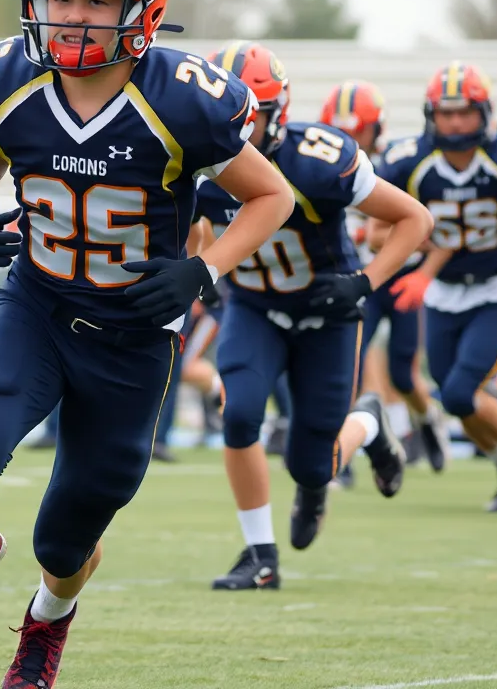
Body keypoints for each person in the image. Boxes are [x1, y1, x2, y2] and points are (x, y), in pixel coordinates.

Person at [0, 0, 294, 689]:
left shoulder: (182, 100)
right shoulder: (5, 83)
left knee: (65, 540)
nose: (72, 16)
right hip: (36, 308)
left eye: (96, 1)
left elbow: (270, 196)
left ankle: (48, 620)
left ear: (143, 9)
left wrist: (203, 272)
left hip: (134, 335)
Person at [198, 43, 431, 591]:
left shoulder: (318, 161)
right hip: (255, 307)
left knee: (312, 465)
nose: (231, 127)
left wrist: (365, 282)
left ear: (276, 114)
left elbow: (414, 220)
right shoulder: (194, 161)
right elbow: (191, 228)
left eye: (245, 114)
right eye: (217, 112)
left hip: (326, 312)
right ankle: (260, 555)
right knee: (240, 415)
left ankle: (369, 423)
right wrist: (200, 275)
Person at [374, 62, 497, 512]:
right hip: (442, 291)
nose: (455, 122)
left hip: (496, 288)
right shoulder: (410, 161)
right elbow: (377, 230)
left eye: (465, 112)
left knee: (459, 391)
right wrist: (425, 249)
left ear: (484, 113)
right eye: (447, 112)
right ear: (431, 115)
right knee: (456, 397)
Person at [321, 80, 449, 471]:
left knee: (403, 373)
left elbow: (419, 227)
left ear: (376, 129)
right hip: (357, 280)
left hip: (398, 275)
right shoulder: (315, 163)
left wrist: (369, 234)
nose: (348, 139)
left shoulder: (395, 163)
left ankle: (427, 420)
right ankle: (339, 453)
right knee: (348, 363)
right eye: (339, 130)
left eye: (358, 130)